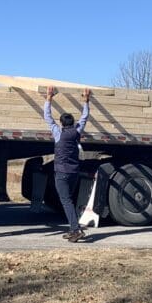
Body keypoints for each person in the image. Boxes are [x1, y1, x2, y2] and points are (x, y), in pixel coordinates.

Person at [44, 86, 91, 242]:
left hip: (62, 173)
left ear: (61, 123)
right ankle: (73, 229)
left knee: (66, 200)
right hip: (74, 172)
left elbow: (47, 116)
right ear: (73, 122)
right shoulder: (77, 132)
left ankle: (76, 229)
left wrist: (49, 98)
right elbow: (84, 117)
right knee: (68, 199)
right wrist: (86, 100)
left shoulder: (59, 134)